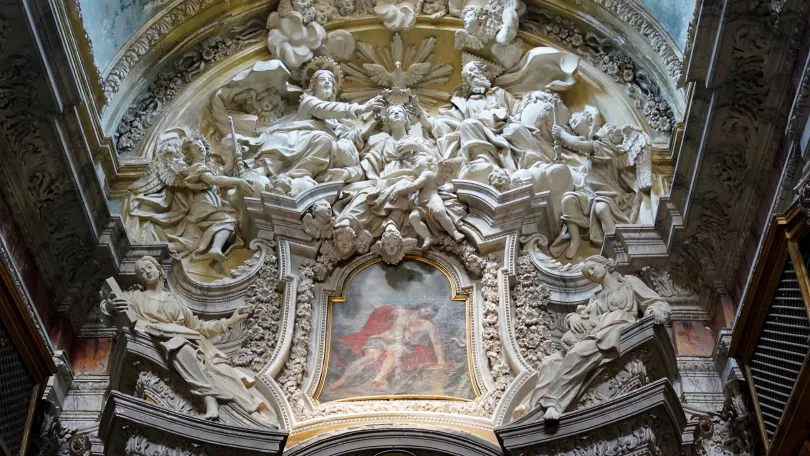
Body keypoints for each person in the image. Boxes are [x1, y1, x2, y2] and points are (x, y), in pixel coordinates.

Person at [101, 256, 275, 423]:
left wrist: (230, 320)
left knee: (225, 370)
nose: (147, 272)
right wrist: (110, 306)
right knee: (179, 346)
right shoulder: (134, 296)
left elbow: (199, 326)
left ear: (158, 269)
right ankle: (209, 396)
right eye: (141, 271)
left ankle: (252, 413)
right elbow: (110, 309)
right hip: (160, 338)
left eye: (149, 267)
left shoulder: (174, 299)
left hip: (192, 340)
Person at [517, 255, 670, 421]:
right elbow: (584, 315)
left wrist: (655, 311)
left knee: (577, 353)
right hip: (597, 332)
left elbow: (657, 303)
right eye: (588, 274)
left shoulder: (628, 282)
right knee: (550, 362)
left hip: (620, 326)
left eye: (592, 268)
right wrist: (571, 318)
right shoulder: (596, 297)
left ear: (605, 264)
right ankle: (535, 411)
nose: (591, 273)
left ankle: (554, 402)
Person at [123, 137, 255, 262]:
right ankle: (215, 248)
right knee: (228, 219)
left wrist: (234, 156)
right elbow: (213, 180)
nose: (200, 148)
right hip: (201, 204)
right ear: (189, 153)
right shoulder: (195, 168)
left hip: (210, 203)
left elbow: (224, 173)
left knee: (196, 241)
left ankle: (162, 248)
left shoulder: (209, 169)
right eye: (195, 147)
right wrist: (238, 182)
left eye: (201, 145)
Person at [330, 305, 445, 390]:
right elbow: (385, 311)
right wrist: (383, 309)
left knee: (395, 351)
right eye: (426, 309)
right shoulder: (402, 313)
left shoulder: (427, 325)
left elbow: (436, 343)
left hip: (401, 343)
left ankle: (378, 379)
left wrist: (441, 361)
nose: (427, 313)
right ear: (420, 308)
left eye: (430, 313)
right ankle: (340, 381)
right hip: (382, 338)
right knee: (369, 358)